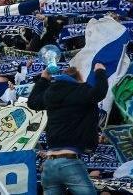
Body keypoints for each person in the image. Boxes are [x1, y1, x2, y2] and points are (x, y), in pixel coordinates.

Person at [27, 64, 108, 195]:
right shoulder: (80, 91)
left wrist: (43, 79)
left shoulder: (50, 93)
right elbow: (100, 92)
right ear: (78, 79)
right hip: (69, 162)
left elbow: (32, 102)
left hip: (49, 165)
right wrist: (100, 71)